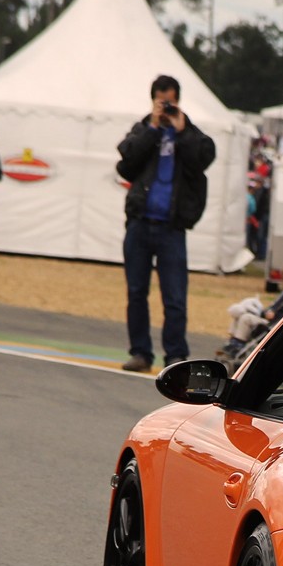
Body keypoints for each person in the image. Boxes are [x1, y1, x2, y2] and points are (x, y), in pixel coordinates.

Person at [117, 74, 218, 372]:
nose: (166, 108)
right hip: (140, 223)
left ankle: (175, 355)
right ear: (152, 101)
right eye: (161, 102)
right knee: (136, 291)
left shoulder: (191, 133)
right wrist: (153, 126)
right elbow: (126, 161)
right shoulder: (143, 129)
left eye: (170, 102)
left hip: (172, 227)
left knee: (174, 296)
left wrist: (181, 130)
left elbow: (203, 159)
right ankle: (140, 353)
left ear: (178, 101)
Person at [221, 263, 283, 360]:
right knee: (239, 314)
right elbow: (272, 307)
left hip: (276, 326)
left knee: (246, 318)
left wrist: (274, 315)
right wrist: (267, 312)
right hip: (269, 321)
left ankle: (238, 344)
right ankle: (234, 340)